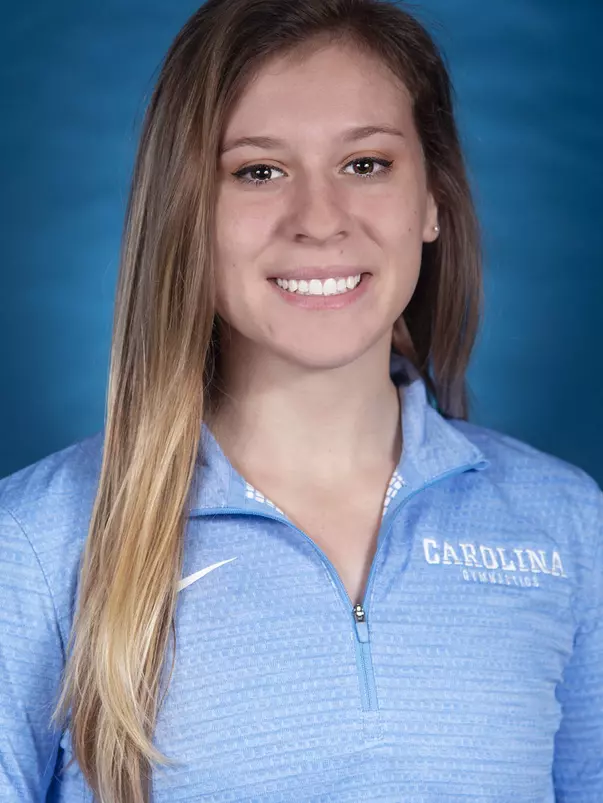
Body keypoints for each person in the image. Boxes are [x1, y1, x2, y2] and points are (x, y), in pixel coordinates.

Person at [0, 0, 601, 800]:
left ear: (432, 199)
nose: (319, 221)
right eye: (258, 171)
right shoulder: (35, 546)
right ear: (185, 214)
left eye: (365, 164)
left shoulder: (563, 524)